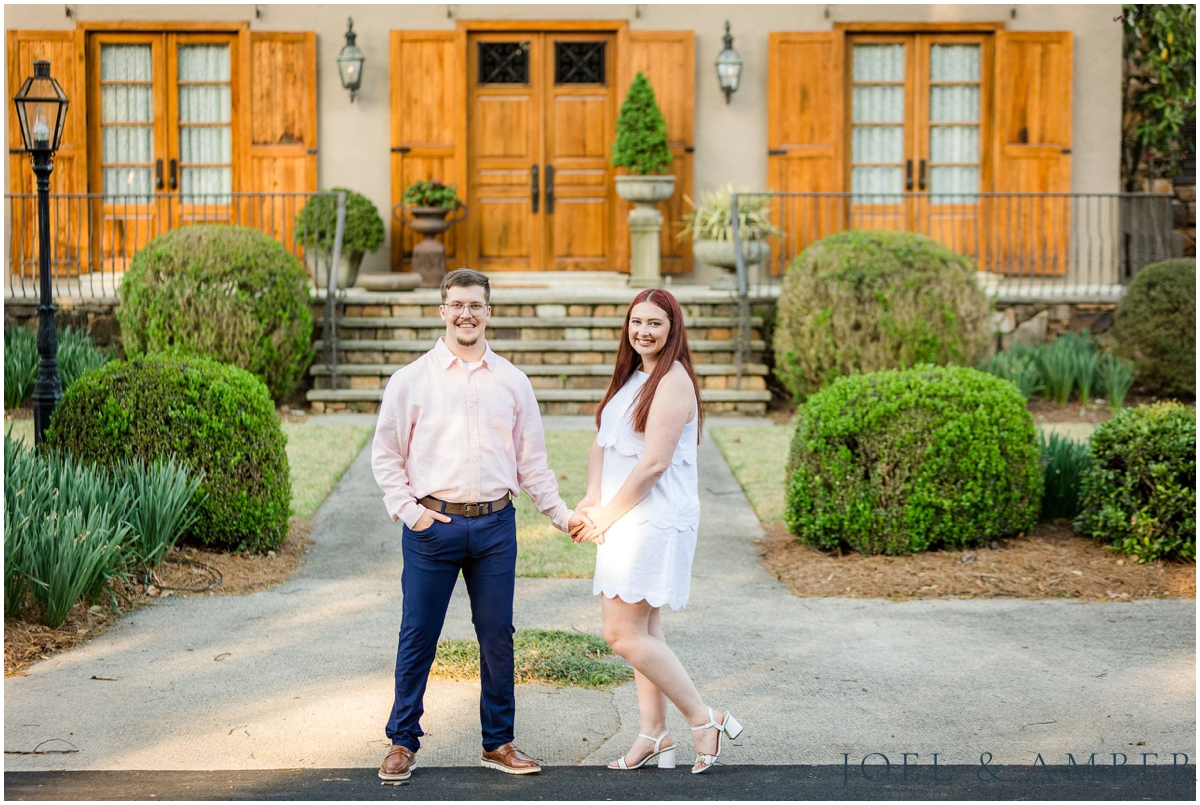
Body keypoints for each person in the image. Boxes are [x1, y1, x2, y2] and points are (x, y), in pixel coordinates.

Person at [371, 268, 591, 782]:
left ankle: (498, 742)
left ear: (489, 312)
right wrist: (412, 513)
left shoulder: (513, 381)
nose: (466, 314)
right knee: (418, 635)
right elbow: (386, 456)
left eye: (476, 305)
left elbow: (531, 462)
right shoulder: (412, 379)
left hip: (495, 528)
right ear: (442, 311)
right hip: (433, 527)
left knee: (497, 636)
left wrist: (561, 515)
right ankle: (402, 740)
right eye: (456, 305)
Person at [574, 288, 745, 774]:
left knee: (620, 633)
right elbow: (603, 442)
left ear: (673, 329)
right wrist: (592, 496)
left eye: (655, 323)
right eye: (637, 322)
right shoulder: (633, 377)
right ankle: (653, 734)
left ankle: (703, 716)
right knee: (644, 631)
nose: (644, 331)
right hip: (624, 517)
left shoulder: (673, 381)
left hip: (650, 520)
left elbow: (652, 465)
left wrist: (607, 515)